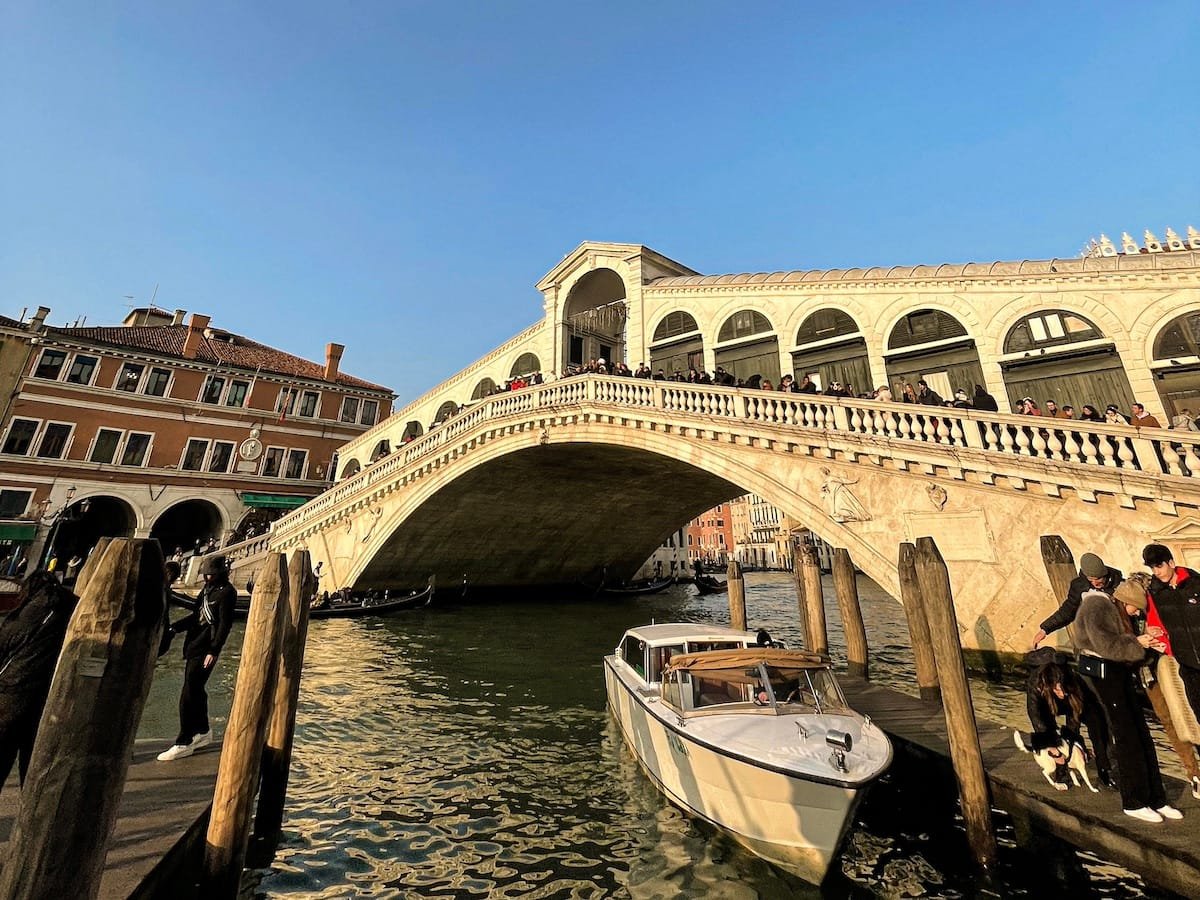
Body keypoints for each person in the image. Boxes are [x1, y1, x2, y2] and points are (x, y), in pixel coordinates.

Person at [1075, 585, 1181, 823]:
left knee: (1142, 734)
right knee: (1126, 736)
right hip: (1104, 675)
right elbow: (1108, 647)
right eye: (1135, 609)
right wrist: (1139, 643)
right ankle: (1133, 801)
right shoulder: (1097, 606)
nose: (1136, 614)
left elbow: (1128, 650)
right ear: (1125, 601)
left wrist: (1151, 647)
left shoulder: (1121, 615)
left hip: (1120, 674)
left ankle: (1156, 798)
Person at [0, 571, 78, 788]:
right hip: (49, 698)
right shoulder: (73, 607)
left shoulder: (27, 613)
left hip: (11, 694)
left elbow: (4, 643)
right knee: (35, 767)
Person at [157, 555, 237, 762]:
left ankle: (184, 741)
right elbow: (196, 615)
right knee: (196, 690)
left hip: (207, 648)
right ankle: (202, 731)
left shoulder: (228, 593)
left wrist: (214, 650)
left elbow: (224, 625)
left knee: (188, 693)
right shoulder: (207, 590)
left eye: (211, 573)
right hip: (193, 645)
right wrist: (175, 628)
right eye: (206, 573)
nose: (208, 576)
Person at [1031, 552, 1122, 649]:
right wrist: (1045, 629)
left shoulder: (1119, 584)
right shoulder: (1079, 586)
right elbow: (1068, 611)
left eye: (1098, 579)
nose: (1095, 583)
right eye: (1091, 579)